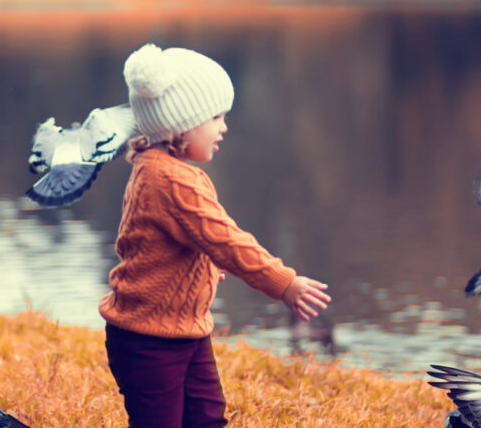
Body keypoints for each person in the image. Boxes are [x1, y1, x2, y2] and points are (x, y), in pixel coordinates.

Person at [98, 43, 332, 428]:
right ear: (180, 124)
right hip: (150, 340)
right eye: (215, 117)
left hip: (182, 330)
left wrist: (200, 269)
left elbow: (164, 243)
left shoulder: (156, 166)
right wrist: (283, 282)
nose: (223, 127)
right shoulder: (172, 180)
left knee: (207, 417)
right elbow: (226, 241)